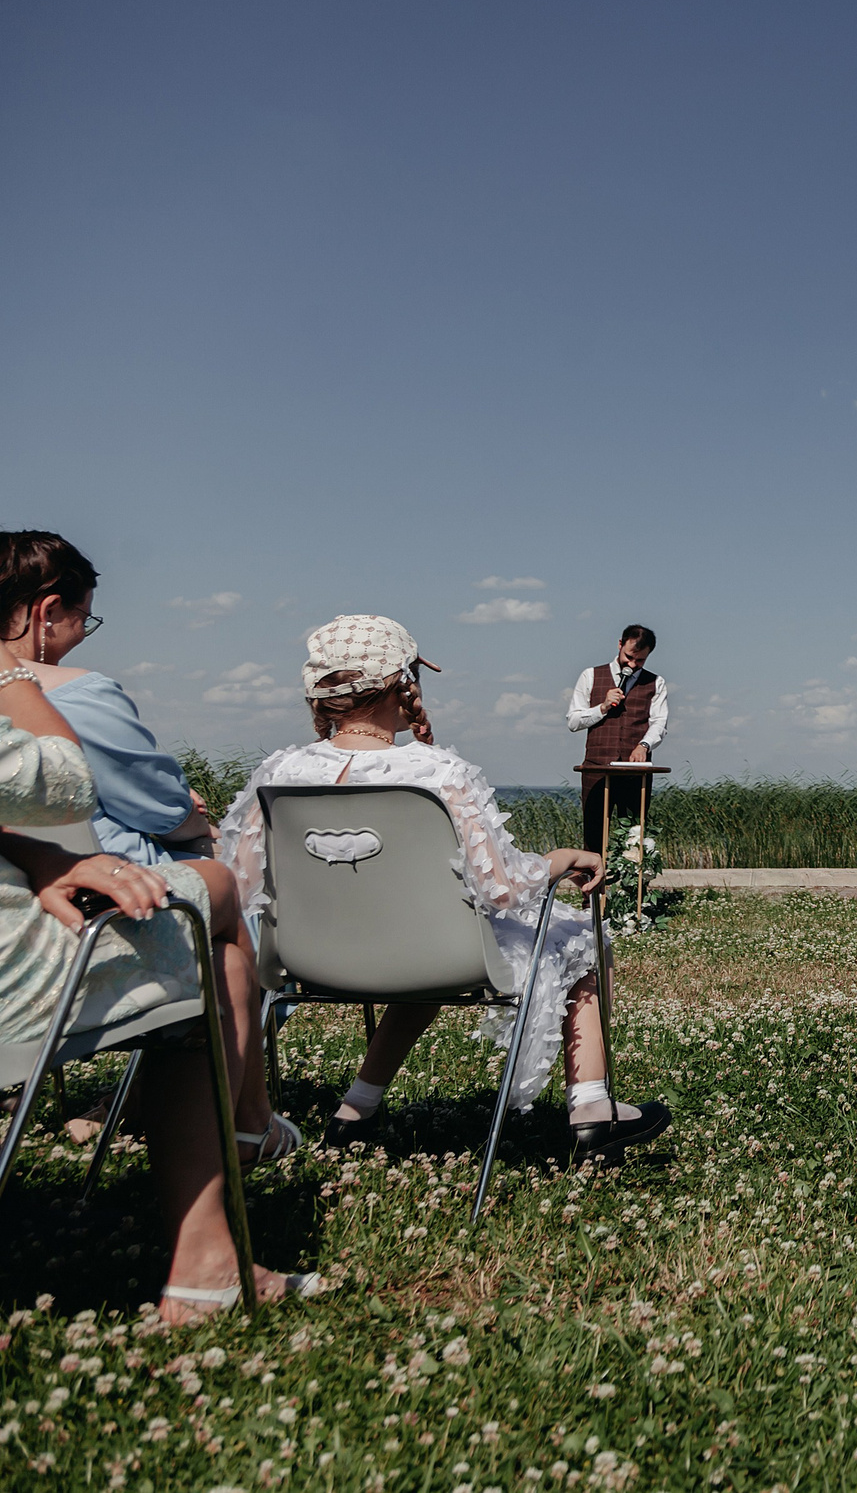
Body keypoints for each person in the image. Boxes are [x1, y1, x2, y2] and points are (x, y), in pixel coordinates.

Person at [219, 616, 673, 1158]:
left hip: (308, 959)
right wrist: (564, 858)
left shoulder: (278, 773)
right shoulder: (438, 773)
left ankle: (354, 1110)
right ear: (403, 683)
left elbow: (241, 885)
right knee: (576, 934)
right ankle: (592, 1107)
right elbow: (503, 889)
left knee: (427, 946)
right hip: (430, 952)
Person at [1, 630, 316, 1321]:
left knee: (211, 919)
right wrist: (7, 672)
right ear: (51, 611)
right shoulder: (74, 689)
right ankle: (217, 1230)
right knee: (217, 904)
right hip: (10, 976)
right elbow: (64, 782)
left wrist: (29, 853)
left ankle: (243, 1150)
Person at [1, 532, 218, 868]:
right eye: (84, 620)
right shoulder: (81, 693)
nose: (83, 634)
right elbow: (164, 813)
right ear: (50, 610)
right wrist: (191, 816)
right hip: (110, 893)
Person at [569, 625, 668, 854]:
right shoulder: (591, 675)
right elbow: (573, 721)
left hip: (635, 772)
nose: (632, 665)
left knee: (634, 836)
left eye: (640, 661)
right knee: (593, 834)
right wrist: (602, 707)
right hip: (596, 768)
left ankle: (632, 888)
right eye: (629, 657)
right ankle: (593, 889)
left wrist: (644, 745)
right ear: (620, 644)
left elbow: (659, 723)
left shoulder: (656, 683)